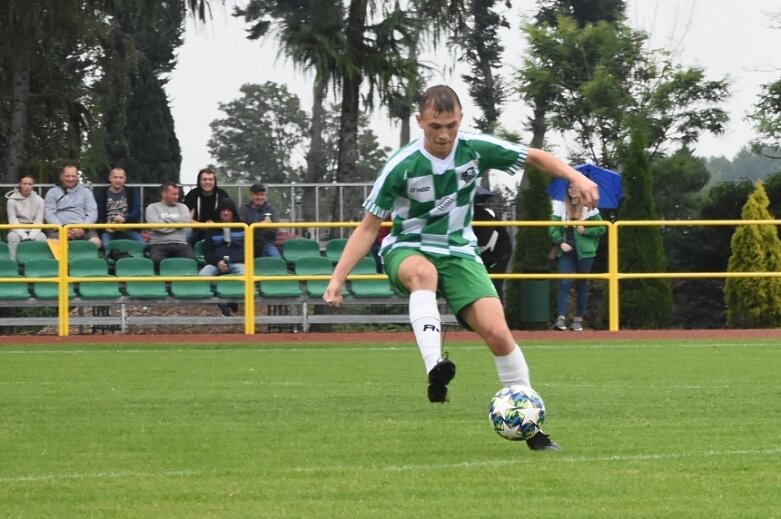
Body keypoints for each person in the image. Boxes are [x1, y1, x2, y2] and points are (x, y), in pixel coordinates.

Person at [322, 85, 598, 452]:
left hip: (460, 252)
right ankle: (435, 366)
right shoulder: (402, 165)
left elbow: (534, 155)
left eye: (451, 125)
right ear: (420, 121)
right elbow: (370, 226)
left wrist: (576, 177)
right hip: (408, 247)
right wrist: (337, 278)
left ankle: (532, 429)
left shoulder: (474, 148)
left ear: (461, 120)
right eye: (435, 125)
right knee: (424, 275)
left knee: (498, 332)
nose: (443, 134)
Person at [549, 183, 606, 332]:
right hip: (565, 252)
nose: (572, 190)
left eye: (575, 187)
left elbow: (602, 228)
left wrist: (586, 230)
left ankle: (578, 320)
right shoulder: (560, 207)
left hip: (585, 252)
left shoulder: (590, 209)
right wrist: (560, 242)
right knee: (564, 282)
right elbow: (552, 228)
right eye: (569, 188)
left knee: (582, 285)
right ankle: (560, 318)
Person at [200, 198, 245, 316]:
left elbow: (253, 246)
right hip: (216, 263)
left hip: (238, 262)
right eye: (223, 210)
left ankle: (228, 300)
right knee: (202, 277)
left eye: (228, 210)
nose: (225, 213)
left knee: (245, 275)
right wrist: (217, 262)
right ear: (219, 212)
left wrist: (243, 258)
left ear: (233, 211)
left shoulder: (243, 227)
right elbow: (206, 252)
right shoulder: (213, 229)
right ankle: (225, 299)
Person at [43, 164, 102, 248]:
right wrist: (63, 229)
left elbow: (92, 212)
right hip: (59, 229)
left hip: (83, 228)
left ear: (77, 177)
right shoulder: (52, 192)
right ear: (61, 177)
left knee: (96, 243)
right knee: (54, 244)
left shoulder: (86, 192)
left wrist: (82, 229)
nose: (70, 179)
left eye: (73, 176)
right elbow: (49, 213)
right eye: (67, 176)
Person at [145, 181, 196, 271]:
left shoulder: (183, 207)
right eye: (173, 194)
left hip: (180, 244)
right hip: (159, 244)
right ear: (164, 194)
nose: (177, 197)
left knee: (190, 260)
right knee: (156, 261)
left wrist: (164, 221)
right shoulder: (152, 208)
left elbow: (185, 222)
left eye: (177, 194)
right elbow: (156, 226)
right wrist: (177, 225)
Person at [473, 187, 512, 301]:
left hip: (499, 253)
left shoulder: (486, 214)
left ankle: (497, 312)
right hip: (482, 254)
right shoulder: (463, 215)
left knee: (494, 284)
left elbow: (486, 240)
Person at [94, 166, 144, 245]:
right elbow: (96, 215)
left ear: (125, 179)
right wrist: (104, 227)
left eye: (121, 177)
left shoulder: (131, 193)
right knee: (107, 246)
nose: (118, 180)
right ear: (110, 178)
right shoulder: (101, 194)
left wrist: (124, 219)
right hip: (108, 230)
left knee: (142, 245)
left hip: (128, 228)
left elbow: (137, 212)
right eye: (115, 177)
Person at [183, 167, 230, 246]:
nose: (207, 182)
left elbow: (228, 216)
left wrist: (214, 224)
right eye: (204, 179)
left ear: (214, 181)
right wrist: (203, 225)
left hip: (218, 229)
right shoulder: (192, 195)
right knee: (187, 231)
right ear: (199, 181)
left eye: (210, 179)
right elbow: (186, 218)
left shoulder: (222, 194)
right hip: (196, 230)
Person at [5, 173, 47, 261]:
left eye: (30, 184)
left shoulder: (40, 200)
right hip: (16, 228)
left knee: (42, 238)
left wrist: (31, 235)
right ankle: (13, 266)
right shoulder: (11, 200)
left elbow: (39, 220)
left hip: (34, 228)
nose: (27, 186)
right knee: (13, 239)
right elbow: (12, 220)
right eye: (24, 184)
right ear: (20, 184)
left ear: (33, 185)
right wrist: (23, 235)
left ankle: (38, 265)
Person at [237, 183, 282, 259]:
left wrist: (252, 228)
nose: (260, 197)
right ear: (251, 195)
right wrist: (261, 224)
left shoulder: (272, 210)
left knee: (278, 262)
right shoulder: (244, 210)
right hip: (247, 246)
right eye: (257, 194)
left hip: (267, 245)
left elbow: (274, 232)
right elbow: (240, 229)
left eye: (262, 195)